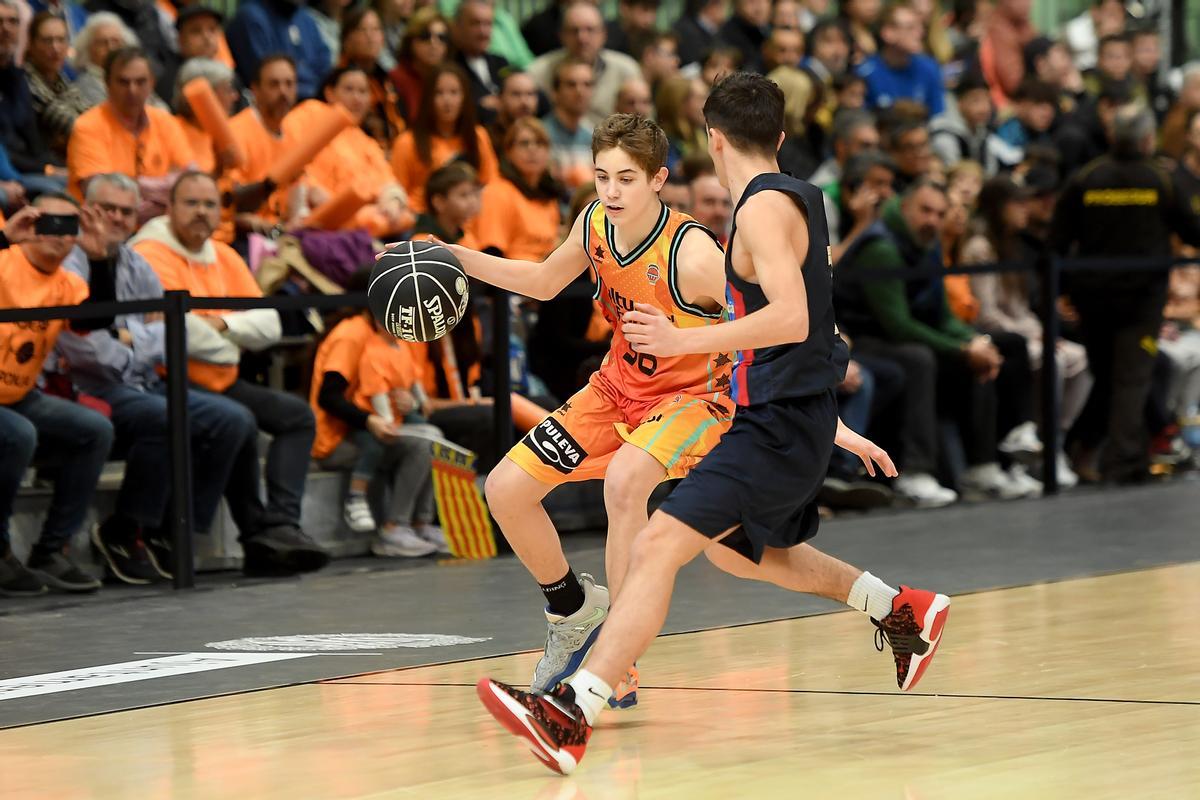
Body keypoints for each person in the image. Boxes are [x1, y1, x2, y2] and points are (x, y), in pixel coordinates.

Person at [476, 74, 950, 775]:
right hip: (788, 415)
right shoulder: (803, 197)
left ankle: (576, 707)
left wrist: (680, 342)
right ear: (781, 137)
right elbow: (818, 324)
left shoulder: (755, 212)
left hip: (767, 418)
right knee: (736, 554)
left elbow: (790, 319)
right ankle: (899, 609)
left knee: (657, 541)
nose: (610, 190)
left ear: (711, 139)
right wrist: (832, 423)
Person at [425, 112, 733, 711]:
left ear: (658, 180)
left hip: (692, 399)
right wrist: (453, 255)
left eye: (626, 179)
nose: (611, 192)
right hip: (616, 388)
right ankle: (572, 607)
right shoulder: (594, 222)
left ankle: (614, 659)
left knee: (624, 487)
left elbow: (767, 324)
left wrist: (686, 339)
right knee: (506, 489)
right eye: (601, 177)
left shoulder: (694, 253)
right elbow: (543, 282)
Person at [54, 173, 265, 583]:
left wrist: (125, 337)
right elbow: (83, 351)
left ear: (137, 217)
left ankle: (175, 533)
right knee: (165, 415)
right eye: (107, 209)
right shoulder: (70, 259)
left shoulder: (137, 262)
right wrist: (131, 340)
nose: (116, 217)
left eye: (126, 211)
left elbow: (170, 332)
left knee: (233, 420)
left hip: (142, 381)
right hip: (88, 387)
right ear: (87, 210)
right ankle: (124, 529)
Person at [132, 171, 330, 573]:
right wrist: (235, 335)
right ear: (169, 207)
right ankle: (242, 536)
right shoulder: (150, 252)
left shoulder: (225, 254)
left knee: (296, 416)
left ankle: (280, 525)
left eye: (210, 204)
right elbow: (174, 331)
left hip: (221, 380)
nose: (202, 212)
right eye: (191, 203)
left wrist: (222, 328)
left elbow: (270, 324)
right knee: (235, 421)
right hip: (166, 378)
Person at [1052, 107, 1200, 483]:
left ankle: (1081, 447)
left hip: (1093, 297)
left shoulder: (1087, 177)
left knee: (1109, 376)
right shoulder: (1160, 180)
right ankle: (1124, 463)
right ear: (1148, 138)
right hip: (1141, 300)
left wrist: (1062, 290)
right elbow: (1191, 229)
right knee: (1130, 379)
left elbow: (1057, 240)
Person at [0, 197, 116, 596]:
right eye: (46, 222)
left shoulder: (68, 282)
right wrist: (4, 238)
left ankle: (51, 550)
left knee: (94, 430)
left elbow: (97, 320)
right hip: (10, 405)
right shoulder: (5, 259)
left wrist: (99, 258)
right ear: (29, 222)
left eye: (69, 226)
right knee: (18, 435)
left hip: (17, 393)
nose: (58, 234)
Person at [310, 301, 446, 559]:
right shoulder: (352, 335)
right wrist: (370, 420)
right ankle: (394, 527)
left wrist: (408, 401)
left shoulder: (393, 338)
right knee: (420, 446)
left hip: (375, 422)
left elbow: (404, 386)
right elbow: (328, 396)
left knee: (433, 439)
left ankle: (421, 523)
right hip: (337, 437)